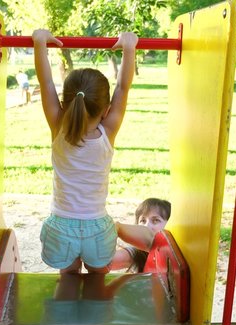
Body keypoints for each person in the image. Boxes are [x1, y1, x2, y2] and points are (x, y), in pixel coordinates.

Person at [33, 29, 138, 274]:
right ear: (106, 109)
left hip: (61, 227)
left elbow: (45, 82)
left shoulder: (58, 125)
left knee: (67, 282)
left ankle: (65, 311)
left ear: (64, 103)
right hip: (97, 230)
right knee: (97, 288)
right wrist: (129, 47)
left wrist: (39, 43)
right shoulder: (108, 131)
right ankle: (98, 311)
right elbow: (123, 88)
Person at [111, 198, 172, 272]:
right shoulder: (136, 253)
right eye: (143, 221)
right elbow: (107, 261)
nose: (146, 225)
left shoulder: (176, 251)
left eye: (155, 220)